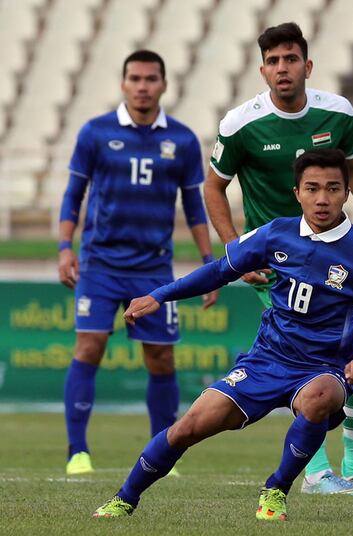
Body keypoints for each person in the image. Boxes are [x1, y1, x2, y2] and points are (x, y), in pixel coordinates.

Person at [93, 148, 353, 522]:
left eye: (333, 188)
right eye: (312, 188)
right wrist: (159, 295)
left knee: (319, 397)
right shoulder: (276, 233)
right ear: (297, 193)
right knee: (188, 427)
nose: (322, 198)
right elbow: (220, 271)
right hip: (265, 361)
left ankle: (276, 490)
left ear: (346, 192)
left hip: (323, 368)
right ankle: (124, 499)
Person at [203, 22, 353, 495]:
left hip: (338, 259)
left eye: (291, 58)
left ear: (308, 65)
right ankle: (318, 473)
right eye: (274, 61)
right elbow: (214, 186)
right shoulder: (240, 125)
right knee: (305, 366)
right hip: (280, 266)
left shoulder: (337, 113)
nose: (283, 68)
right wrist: (235, 250)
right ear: (262, 70)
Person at [59, 50, 218, 476]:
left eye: (151, 79)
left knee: (161, 358)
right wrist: (64, 246)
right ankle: (78, 452)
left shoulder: (182, 140)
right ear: (123, 84)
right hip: (100, 265)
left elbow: (195, 209)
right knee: (89, 348)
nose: (143, 86)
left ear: (164, 84)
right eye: (135, 78)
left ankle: (163, 453)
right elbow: (73, 195)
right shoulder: (95, 132)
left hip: (152, 270)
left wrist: (210, 265)